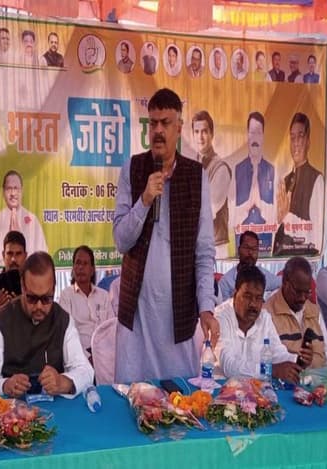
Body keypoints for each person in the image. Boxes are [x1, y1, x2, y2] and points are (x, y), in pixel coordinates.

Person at [113, 88, 217, 383]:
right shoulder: (132, 169)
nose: (158, 130)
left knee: (179, 400)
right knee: (132, 398)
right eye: (153, 123)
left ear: (179, 128)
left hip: (178, 319)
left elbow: (204, 251)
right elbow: (121, 240)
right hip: (137, 322)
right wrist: (145, 199)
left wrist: (206, 308)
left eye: (166, 123)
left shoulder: (196, 176)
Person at [0, 252, 94, 397]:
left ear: (54, 289)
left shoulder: (62, 320)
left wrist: (63, 382)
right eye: (32, 298)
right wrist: (5, 385)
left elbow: (86, 372)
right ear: (22, 287)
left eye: (46, 299)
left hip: (53, 405)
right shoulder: (0, 319)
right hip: (10, 407)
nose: (39, 306)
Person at [218, 266, 302, 383]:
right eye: (247, 297)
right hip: (219, 389)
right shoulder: (221, 317)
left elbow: (278, 353)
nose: (253, 304)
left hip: (256, 390)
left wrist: (299, 360)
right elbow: (229, 366)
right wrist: (270, 370)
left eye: (258, 298)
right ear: (235, 294)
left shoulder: (264, 318)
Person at [265, 257, 327, 368]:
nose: (303, 298)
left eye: (307, 292)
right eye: (298, 292)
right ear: (285, 282)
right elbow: (267, 360)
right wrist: (300, 361)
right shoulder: (267, 313)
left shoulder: (314, 310)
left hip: (320, 377)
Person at [274, 112, 324, 254]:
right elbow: (278, 225)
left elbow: (316, 235)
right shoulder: (285, 180)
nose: (296, 143)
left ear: (308, 141)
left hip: (303, 257)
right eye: (292, 137)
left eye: (300, 136)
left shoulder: (316, 179)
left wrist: (287, 216)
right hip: (281, 255)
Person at [0, 170, 48, 266]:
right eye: (9, 189)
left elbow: (43, 258)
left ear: (22, 191)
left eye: (16, 188)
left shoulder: (33, 220)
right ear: (3, 192)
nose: (13, 193)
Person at [58, 246, 114, 356]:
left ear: (92, 270)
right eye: (78, 263)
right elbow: (66, 333)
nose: (81, 267)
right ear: (73, 268)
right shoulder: (66, 296)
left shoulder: (104, 296)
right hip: (78, 356)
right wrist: (87, 357)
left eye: (85, 263)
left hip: (104, 354)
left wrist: (101, 355)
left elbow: (111, 329)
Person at [191, 111, 231, 258]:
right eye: (196, 132)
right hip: (196, 244)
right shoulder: (192, 166)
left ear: (212, 134)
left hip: (216, 247)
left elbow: (210, 209)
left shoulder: (221, 168)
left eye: (204, 131)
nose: (200, 137)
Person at [233, 112, 276, 245]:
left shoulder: (272, 170)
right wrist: (247, 207)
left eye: (258, 133)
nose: (255, 138)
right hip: (241, 242)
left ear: (263, 136)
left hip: (265, 241)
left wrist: (260, 205)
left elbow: (275, 216)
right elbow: (231, 215)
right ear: (247, 135)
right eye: (252, 132)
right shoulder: (237, 169)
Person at [218, 231, 281, 303]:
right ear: (239, 250)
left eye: (254, 249)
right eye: (246, 248)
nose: (250, 252)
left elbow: (282, 282)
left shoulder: (263, 274)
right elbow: (224, 307)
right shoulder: (226, 282)